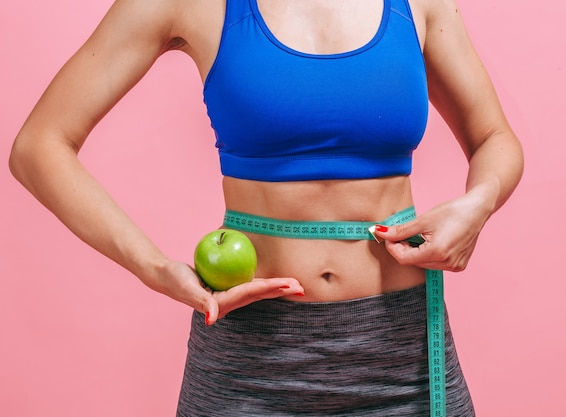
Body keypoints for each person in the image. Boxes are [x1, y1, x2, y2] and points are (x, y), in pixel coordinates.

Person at [9, 0, 523, 415]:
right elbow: (39, 147)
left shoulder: (419, 5)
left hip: (404, 351)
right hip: (250, 357)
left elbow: (495, 138)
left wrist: (478, 204)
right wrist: (155, 269)